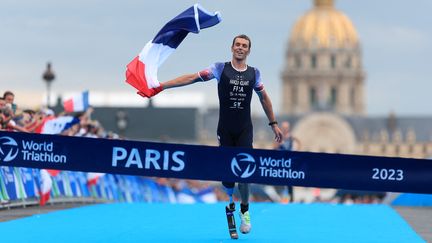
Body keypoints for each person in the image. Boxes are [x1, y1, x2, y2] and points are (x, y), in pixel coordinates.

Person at [142, 34, 283, 234]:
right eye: (238, 45)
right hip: (225, 130)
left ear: (248, 51)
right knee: (227, 178)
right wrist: (162, 86)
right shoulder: (220, 69)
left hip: (244, 130)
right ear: (232, 48)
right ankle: (230, 202)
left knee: (245, 174)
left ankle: (244, 210)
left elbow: (264, 98)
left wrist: (274, 124)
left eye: (244, 46)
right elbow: (192, 77)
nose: (240, 48)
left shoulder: (254, 73)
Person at [273, 121, 301, 203]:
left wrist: (296, 152)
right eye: (284, 128)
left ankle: (291, 199)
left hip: (289, 162)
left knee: (290, 181)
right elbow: (274, 148)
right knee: (279, 181)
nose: (285, 129)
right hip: (280, 162)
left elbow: (299, 143)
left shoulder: (291, 137)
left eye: (286, 128)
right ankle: (282, 197)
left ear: (288, 128)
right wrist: (279, 142)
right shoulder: (278, 136)